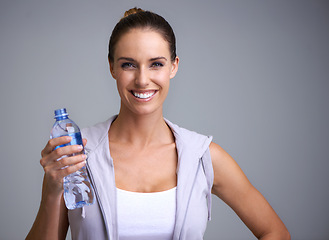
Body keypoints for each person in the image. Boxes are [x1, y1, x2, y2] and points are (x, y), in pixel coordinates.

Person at [26, 7, 290, 240]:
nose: (143, 80)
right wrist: (51, 193)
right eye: (129, 64)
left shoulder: (202, 157)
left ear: (173, 67)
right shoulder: (75, 156)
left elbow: (276, 232)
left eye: (156, 64)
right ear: (112, 68)